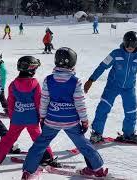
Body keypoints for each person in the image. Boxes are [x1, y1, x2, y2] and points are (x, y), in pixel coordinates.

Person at [21, 47, 108, 179]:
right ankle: (97, 168)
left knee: (40, 144)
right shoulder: (75, 81)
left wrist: (42, 117)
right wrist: (84, 120)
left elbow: (44, 100)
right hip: (71, 121)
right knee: (83, 144)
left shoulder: (48, 80)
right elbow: (79, 103)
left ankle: (28, 171)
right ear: (72, 62)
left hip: (52, 120)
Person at [84, 31, 137, 144]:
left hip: (129, 88)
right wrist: (91, 80)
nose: (129, 47)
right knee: (103, 108)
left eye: (133, 44)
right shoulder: (115, 54)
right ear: (123, 42)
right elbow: (102, 66)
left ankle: (128, 134)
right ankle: (97, 133)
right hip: (112, 86)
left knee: (131, 111)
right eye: (127, 44)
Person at [0, 56, 57, 176]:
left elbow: (10, 102)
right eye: (34, 68)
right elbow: (38, 102)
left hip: (17, 118)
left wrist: (13, 117)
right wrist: (41, 117)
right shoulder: (34, 84)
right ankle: (48, 157)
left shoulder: (13, 84)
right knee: (38, 138)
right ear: (31, 69)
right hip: (32, 118)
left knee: (8, 139)